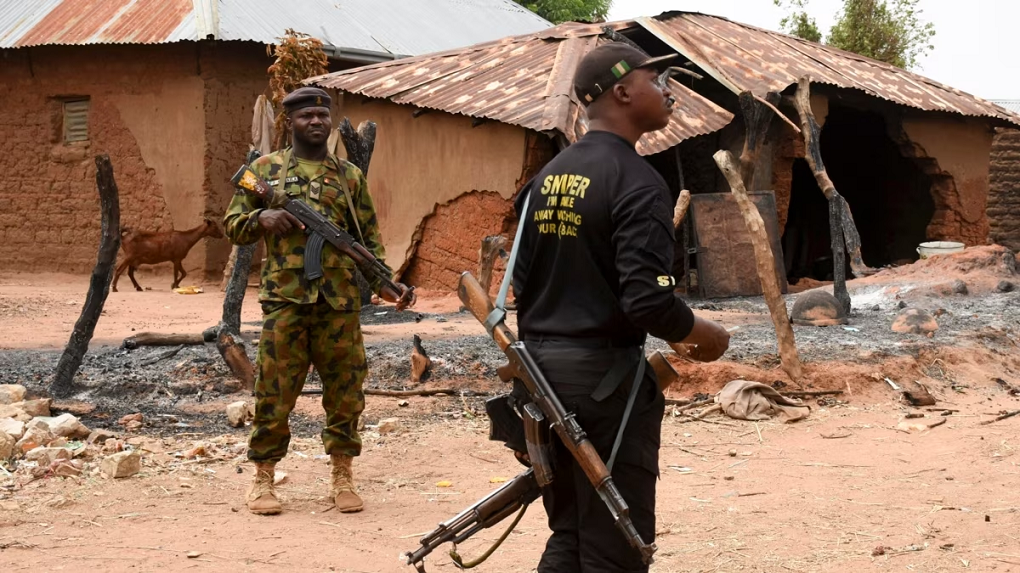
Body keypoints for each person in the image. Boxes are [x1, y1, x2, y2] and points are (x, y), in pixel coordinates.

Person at [511, 43, 731, 572]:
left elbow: (521, 283)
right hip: (604, 387)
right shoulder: (637, 182)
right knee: (618, 546)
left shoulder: (544, 181)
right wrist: (703, 333)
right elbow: (648, 302)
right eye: (657, 80)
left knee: (570, 532)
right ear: (623, 92)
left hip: (540, 377)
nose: (668, 91)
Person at [224, 86, 413, 516]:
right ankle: (263, 479)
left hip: (339, 303)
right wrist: (261, 217)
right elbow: (232, 224)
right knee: (274, 390)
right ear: (290, 122)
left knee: (346, 391)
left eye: (322, 116)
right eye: (306, 116)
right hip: (286, 301)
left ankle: (343, 474)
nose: (316, 122)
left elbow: (367, 242)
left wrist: (385, 283)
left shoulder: (349, 177)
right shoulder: (266, 171)